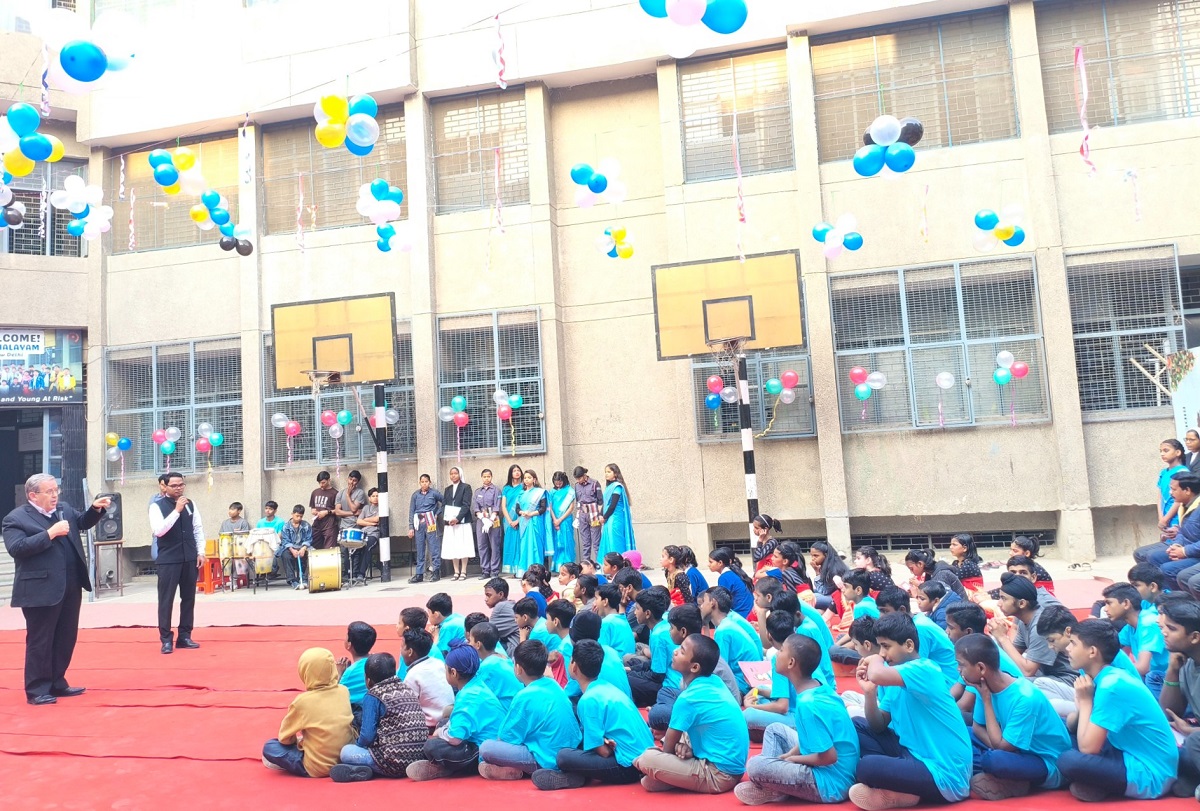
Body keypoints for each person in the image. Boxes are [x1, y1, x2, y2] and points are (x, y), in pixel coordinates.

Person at [2, 474, 111, 705]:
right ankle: (37, 690)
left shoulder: (64, 509)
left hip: (70, 584)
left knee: (65, 637)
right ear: (33, 495)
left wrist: (95, 509)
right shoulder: (16, 518)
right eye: (49, 491)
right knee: (41, 640)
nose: (55, 496)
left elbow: (82, 522)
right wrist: (49, 533)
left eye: (56, 490)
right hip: (40, 589)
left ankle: (57, 682)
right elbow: (17, 548)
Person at [849, 612, 973, 809]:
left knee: (866, 766)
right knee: (857, 725)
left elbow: (877, 673)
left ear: (908, 645)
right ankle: (901, 787)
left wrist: (875, 659)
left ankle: (901, 788)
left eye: (886, 646)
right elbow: (878, 725)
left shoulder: (925, 668)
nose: (882, 654)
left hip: (943, 772)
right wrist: (870, 693)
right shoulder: (895, 678)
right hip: (911, 752)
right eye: (880, 646)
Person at [1056, 619, 1178, 802]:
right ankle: (1097, 783)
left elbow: (1088, 748)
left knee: (1067, 760)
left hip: (1150, 772)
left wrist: (1085, 701)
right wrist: (1083, 705)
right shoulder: (1102, 676)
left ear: (1092, 651)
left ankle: (1101, 785)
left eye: (1073, 643)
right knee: (1062, 730)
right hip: (1124, 749)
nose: (1068, 649)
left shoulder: (1111, 685)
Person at [738, 633, 861, 806]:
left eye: (781, 650)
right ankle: (776, 786)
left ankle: (774, 787)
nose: (777, 654)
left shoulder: (808, 705)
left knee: (754, 765)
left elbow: (829, 757)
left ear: (791, 663)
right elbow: (809, 737)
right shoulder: (818, 687)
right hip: (832, 766)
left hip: (831, 782)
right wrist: (789, 754)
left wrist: (793, 760)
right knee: (775, 730)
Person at [954, 634, 1071, 800]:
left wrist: (987, 701)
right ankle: (1007, 779)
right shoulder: (983, 685)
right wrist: (996, 744)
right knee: (958, 734)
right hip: (1010, 746)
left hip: (1044, 760)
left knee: (994, 760)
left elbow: (1001, 747)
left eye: (961, 665)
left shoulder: (1025, 697)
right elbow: (978, 727)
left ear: (981, 668)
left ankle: (1015, 781)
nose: (958, 670)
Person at [633, 634, 748, 794]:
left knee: (647, 759)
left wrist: (668, 755)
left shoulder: (688, 699)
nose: (675, 652)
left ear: (694, 667)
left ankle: (644, 766)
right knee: (649, 783)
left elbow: (667, 749)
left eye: (682, 651)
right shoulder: (714, 681)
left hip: (719, 774)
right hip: (730, 767)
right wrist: (683, 748)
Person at [533, 639, 655, 790]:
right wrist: (601, 741)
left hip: (627, 767)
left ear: (574, 666)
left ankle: (577, 777)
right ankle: (578, 775)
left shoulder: (588, 700)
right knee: (582, 741)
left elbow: (604, 752)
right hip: (643, 756)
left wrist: (601, 744)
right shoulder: (606, 687)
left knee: (563, 756)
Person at [477, 640, 582, 780]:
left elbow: (506, 738)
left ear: (518, 668)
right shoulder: (554, 684)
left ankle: (516, 769)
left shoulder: (524, 696)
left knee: (486, 748)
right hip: (570, 752)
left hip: (544, 758)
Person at [406, 641, 506, 781]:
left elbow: (455, 738)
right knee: (444, 722)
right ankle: (445, 766)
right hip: (485, 738)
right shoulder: (475, 684)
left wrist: (440, 733)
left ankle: (446, 768)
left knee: (432, 746)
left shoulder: (468, 697)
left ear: (453, 673)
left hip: (481, 748)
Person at [331, 652, 428, 782]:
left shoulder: (373, 695)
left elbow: (367, 736)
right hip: (417, 757)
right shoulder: (406, 688)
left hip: (392, 762)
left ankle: (370, 769)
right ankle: (370, 768)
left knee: (346, 752)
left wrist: (359, 746)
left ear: (368, 680)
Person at [262, 648, 354, 778]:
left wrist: (299, 742)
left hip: (318, 767)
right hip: (345, 756)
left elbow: (285, 738)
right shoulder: (344, 691)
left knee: (270, 747)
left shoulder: (302, 702)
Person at [989, 576, 1076, 706]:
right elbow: (1013, 656)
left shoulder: (1038, 624)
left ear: (1022, 603)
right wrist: (998, 638)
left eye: (1004, 598)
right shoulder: (1023, 619)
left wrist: (1003, 638)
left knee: (1010, 685)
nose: (998, 603)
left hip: (1065, 679)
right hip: (1045, 675)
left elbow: (1028, 671)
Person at [150, 472, 205, 655]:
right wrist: (176, 511)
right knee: (166, 600)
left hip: (189, 557)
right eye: (174, 485)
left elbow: (197, 529)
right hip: (168, 560)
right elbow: (159, 531)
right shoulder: (156, 506)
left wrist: (200, 552)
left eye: (181, 485)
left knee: (188, 598)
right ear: (164, 487)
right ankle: (166, 639)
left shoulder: (191, 504)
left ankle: (185, 636)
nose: (178, 488)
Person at [1157, 596, 1200, 794]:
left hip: (1195, 737)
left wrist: (1191, 731)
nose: (1164, 633)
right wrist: (1172, 670)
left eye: (1172, 629)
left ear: (1194, 637)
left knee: (1192, 743)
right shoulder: (1187, 661)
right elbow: (1169, 712)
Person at [876, 585, 959, 687]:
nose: (880, 616)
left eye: (885, 611)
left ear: (902, 610)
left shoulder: (919, 628)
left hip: (948, 683)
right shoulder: (915, 620)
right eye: (880, 611)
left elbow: (915, 666)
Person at [1101, 581, 1168, 697]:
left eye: (1109, 603)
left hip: (1163, 681)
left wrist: (1106, 670)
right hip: (1150, 678)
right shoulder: (1129, 628)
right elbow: (1115, 654)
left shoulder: (1148, 623)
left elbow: (1143, 668)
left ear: (1126, 603)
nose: (1105, 609)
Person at [700, 586, 764, 696]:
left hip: (743, 684)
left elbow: (719, 669)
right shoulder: (726, 622)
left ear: (713, 603)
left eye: (704, 601)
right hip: (750, 677)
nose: (701, 606)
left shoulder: (723, 630)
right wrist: (705, 622)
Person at [566, 610, 634, 701]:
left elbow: (568, 694)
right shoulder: (611, 651)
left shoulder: (581, 659)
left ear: (572, 637)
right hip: (628, 702)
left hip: (605, 706)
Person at [626, 585, 673, 707]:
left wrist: (631, 673)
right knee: (632, 664)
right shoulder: (661, 625)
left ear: (647, 613)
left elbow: (657, 675)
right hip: (662, 674)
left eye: (637, 609)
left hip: (668, 685)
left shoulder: (658, 635)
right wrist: (632, 669)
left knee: (625, 679)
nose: (635, 612)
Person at [401, 627, 454, 731]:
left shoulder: (413, 675)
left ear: (410, 652)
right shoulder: (438, 663)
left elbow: (407, 709)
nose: (401, 651)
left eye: (402, 647)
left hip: (429, 726)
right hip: (449, 718)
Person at [470, 621, 523, 712]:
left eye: (470, 641)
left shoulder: (488, 666)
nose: (469, 644)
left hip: (508, 712)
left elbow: (474, 693)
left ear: (478, 645)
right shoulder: (502, 656)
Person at [406, 473, 444, 584]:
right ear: (419, 483)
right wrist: (411, 527)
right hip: (419, 522)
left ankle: (436, 571)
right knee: (420, 548)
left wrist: (437, 513)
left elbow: (445, 502)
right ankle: (419, 574)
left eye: (426, 482)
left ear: (429, 482)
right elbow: (411, 511)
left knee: (434, 546)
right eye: (422, 482)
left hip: (430, 520)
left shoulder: (434, 493)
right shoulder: (415, 495)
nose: (424, 484)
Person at [441, 467, 474, 581]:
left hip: (462, 522)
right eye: (451, 474)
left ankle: (463, 571)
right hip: (450, 522)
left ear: (460, 474)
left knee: (463, 545)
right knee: (453, 546)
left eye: (455, 473)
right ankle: (456, 571)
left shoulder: (466, 487)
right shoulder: (447, 489)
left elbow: (466, 504)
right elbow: (444, 505)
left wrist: (457, 518)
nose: (453, 475)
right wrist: (447, 518)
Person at [516, 469, 550, 575]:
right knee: (524, 547)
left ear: (534, 479)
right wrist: (522, 512)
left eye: (529, 478)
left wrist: (531, 514)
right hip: (524, 522)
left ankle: (537, 571)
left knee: (536, 546)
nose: (526, 480)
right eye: (525, 478)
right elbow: (517, 509)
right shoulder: (521, 493)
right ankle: (524, 571)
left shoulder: (540, 492)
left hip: (535, 522)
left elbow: (543, 508)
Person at [472, 468, 503, 580]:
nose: (486, 478)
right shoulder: (478, 491)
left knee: (495, 545)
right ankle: (485, 570)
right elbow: (475, 507)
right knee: (482, 545)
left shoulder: (496, 490)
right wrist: (482, 518)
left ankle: (494, 571)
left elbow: (497, 505)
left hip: (493, 520)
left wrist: (491, 519)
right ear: (481, 477)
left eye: (488, 476)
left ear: (491, 477)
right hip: (481, 520)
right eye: (484, 476)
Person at [336, 621, 376, 707]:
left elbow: (335, 696)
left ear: (349, 644)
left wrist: (339, 674)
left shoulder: (349, 673)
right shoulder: (376, 661)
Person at [334, 470, 365, 578]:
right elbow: (337, 512)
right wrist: (353, 513)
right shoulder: (340, 493)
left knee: (356, 551)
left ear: (358, 482)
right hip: (343, 526)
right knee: (344, 551)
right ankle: (346, 574)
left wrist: (348, 495)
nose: (351, 482)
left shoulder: (360, 493)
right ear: (347, 479)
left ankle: (354, 574)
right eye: (350, 479)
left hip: (355, 525)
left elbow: (353, 507)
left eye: (354, 480)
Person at [598, 463, 635, 556]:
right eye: (605, 472)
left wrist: (604, 517)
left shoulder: (617, 487)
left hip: (615, 519)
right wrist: (600, 514)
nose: (606, 474)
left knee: (615, 542)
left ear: (615, 473)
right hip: (608, 519)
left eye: (609, 472)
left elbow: (612, 505)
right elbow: (605, 503)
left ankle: (619, 562)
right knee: (608, 542)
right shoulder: (609, 487)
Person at [904, 548, 968, 601]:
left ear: (920, 564)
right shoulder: (931, 573)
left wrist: (917, 595)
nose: (911, 572)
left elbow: (941, 601)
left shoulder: (942, 574)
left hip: (961, 609)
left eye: (911, 568)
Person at [708, 547, 755, 618]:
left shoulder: (725, 577)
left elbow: (722, 602)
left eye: (711, 562)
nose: (708, 565)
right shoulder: (733, 572)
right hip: (748, 612)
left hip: (741, 615)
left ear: (720, 563)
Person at [1157, 439, 1191, 531]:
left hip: (1176, 518)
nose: (1162, 454)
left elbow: (1180, 500)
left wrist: (1166, 518)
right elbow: (1160, 497)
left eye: (1166, 450)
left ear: (1178, 452)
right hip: (1164, 518)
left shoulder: (1182, 472)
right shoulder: (1163, 473)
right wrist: (1161, 518)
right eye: (1160, 451)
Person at [572, 465, 603, 562]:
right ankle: (586, 563)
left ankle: (600, 563)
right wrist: (577, 517)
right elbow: (578, 501)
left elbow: (600, 501)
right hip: (582, 514)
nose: (578, 480)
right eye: (576, 479)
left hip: (594, 513)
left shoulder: (594, 483)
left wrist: (600, 515)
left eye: (579, 478)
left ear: (584, 475)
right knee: (585, 542)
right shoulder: (576, 486)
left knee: (596, 542)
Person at [596, 583, 636, 657]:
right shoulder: (622, 618)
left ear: (605, 601)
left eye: (596, 599)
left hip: (618, 662)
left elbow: (601, 653)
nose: (594, 603)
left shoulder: (606, 623)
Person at [484, 577, 522, 656]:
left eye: (489, 595)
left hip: (514, 651)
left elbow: (487, 633)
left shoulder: (500, 607)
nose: (486, 599)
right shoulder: (510, 604)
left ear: (501, 594)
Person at [809, 540, 849, 614]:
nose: (813, 558)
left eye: (816, 556)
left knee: (810, 597)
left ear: (826, 555)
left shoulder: (833, 569)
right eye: (812, 556)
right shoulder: (830, 564)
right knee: (810, 592)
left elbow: (823, 591)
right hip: (832, 594)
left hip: (840, 599)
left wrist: (817, 573)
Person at [278, 505, 313, 590]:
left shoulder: (306, 525)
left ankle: (304, 579)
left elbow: (309, 539)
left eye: (301, 516)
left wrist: (303, 548)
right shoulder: (286, 526)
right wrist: (292, 550)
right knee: (285, 555)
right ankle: (292, 580)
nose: (299, 518)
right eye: (297, 516)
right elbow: (285, 541)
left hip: (302, 547)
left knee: (311, 555)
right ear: (292, 514)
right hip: (290, 548)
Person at [548, 471, 577, 568]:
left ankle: (568, 565)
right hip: (554, 520)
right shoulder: (552, 492)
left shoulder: (570, 491)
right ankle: (557, 566)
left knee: (567, 541)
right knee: (557, 542)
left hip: (565, 520)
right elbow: (550, 507)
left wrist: (560, 520)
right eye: (556, 481)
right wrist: (555, 520)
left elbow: (571, 508)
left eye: (560, 481)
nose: (558, 483)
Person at [352, 488, 380, 583]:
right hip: (363, 534)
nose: (375, 498)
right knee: (355, 547)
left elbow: (377, 519)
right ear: (369, 498)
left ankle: (361, 574)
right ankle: (354, 574)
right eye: (373, 496)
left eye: (377, 496)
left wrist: (365, 520)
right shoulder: (365, 508)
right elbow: (358, 521)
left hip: (373, 534)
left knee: (367, 547)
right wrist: (371, 523)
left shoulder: (382, 508)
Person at [500, 464, 524, 575]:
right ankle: (511, 570)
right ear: (511, 473)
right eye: (514, 471)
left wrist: (518, 520)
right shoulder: (506, 489)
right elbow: (503, 506)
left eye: (518, 470)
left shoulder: (524, 487)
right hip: (508, 521)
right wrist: (510, 521)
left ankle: (520, 569)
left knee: (520, 544)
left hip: (521, 519)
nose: (517, 472)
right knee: (510, 544)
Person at [309, 471, 339, 550]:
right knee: (312, 546)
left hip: (330, 525)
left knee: (329, 549)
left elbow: (338, 510)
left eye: (323, 482)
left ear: (329, 480)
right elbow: (313, 507)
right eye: (319, 483)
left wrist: (326, 512)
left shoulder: (335, 493)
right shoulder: (315, 492)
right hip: (317, 524)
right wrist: (314, 511)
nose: (321, 485)